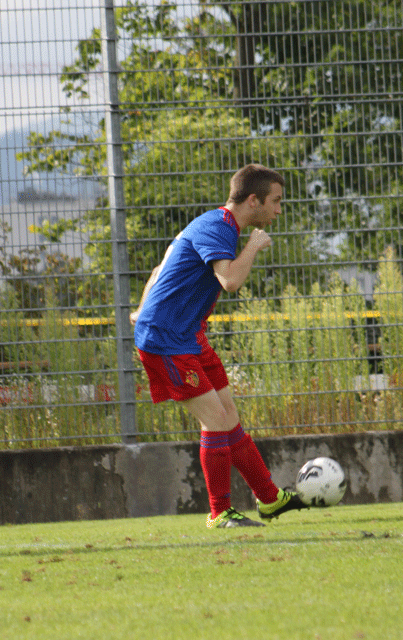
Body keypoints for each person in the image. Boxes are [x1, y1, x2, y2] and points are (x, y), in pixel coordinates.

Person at [130, 164, 307, 528]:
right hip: (166, 341)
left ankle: (270, 500)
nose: (278, 210)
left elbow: (158, 268)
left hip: (189, 337)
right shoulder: (219, 227)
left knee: (229, 417)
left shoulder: (216, 224)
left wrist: (140, 309)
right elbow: (229, 281)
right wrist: (254, 246)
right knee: (214, 419)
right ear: (252, 199)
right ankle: (219, 512)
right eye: (275, 201)